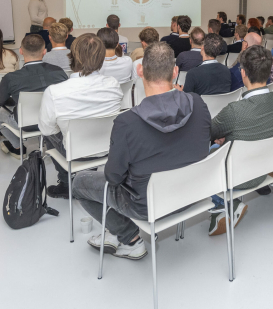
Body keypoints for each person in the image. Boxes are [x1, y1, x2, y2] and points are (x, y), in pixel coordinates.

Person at [72, 42, 211, 259]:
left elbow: (113, 177)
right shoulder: (199, 103)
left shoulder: (127, 122)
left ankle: (129, 238)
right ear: (175, 72)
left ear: (140, 71)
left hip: (148, 207)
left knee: (79, 182)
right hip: (193, 194)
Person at [207, 45, 273, 235]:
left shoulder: (234, 110)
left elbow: (208, 132)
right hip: (265, 168)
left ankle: (227, 203)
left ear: (242, 73)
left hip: (239, 176)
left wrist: (220, 139)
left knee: (203, 153)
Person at [40, 34, 123, 198]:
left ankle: (66, 183)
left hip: (74, 151)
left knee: (48, 133)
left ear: (71, 56)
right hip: (107, 148)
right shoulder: (114, 84)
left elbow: (46, 129)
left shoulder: (55, 91)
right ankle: (87, 175)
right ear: (101, 58)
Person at [0, 34, 68, 158]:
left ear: (21, 51)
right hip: (56, 122)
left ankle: (17, 147)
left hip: (27, 125)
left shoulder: (11, 78)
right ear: (44, 52)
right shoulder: (59, 72)